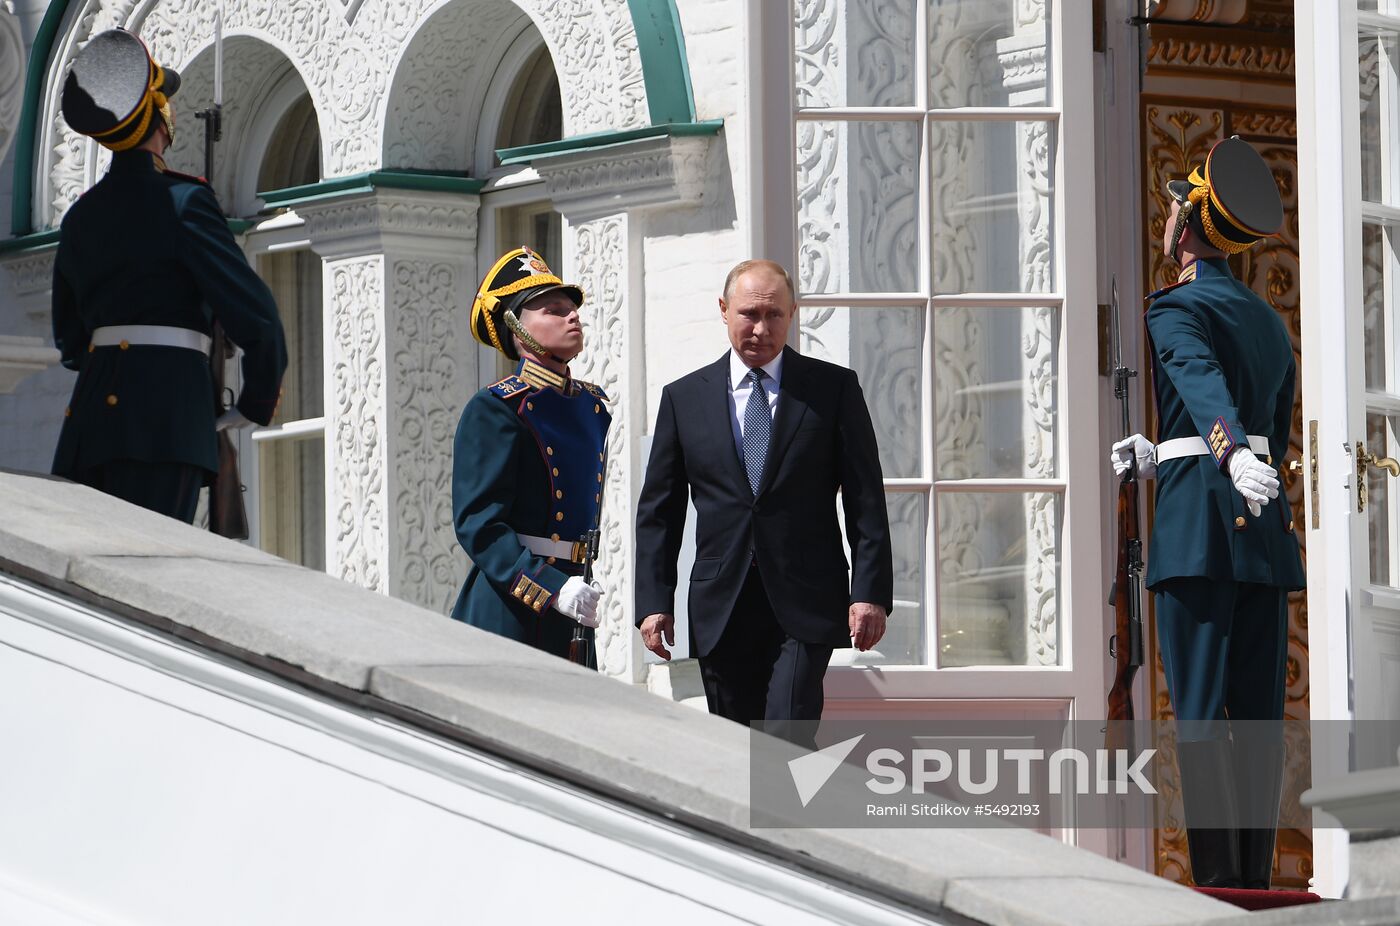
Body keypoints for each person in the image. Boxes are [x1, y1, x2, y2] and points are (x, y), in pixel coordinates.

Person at [1110, 137, 1303, 890]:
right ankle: (1253, 880)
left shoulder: (1176, 307)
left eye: (1171, 208)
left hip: (1198, 531)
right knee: (1257, 721)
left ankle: (1218, 885)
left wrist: (1218, 453)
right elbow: (1273, 430)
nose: (1165, 220)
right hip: (1261, 531)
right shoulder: (1267, 320)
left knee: (1197, 716)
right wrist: (1172, 451)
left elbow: (1200, 383)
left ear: (1187, 224)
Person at [635, 259, 893, 748]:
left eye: (774, 315)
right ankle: (748, 827)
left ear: (792, 313)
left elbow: (865, 497)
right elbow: (659, 513)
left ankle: (783, 825)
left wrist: (869, 591)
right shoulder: (684, 398)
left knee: (786, 735)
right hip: (721, 605)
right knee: (735, 748)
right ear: (723, 311)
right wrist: (653, 603)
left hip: (806, 600)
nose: (761, 328)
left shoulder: (832, 390)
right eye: (749, 314)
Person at [50, 28, 286, 523]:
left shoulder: (80, 217)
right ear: (161, 117)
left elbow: (71, 342)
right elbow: (257, 317)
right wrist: (254, 401)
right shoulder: (183, 201)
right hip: (166, 420)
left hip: (89, 425)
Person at [450, 246, 610, 665]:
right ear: (516, 327)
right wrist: (552, 588)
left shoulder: (592, 405)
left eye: (572, 307)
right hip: (513, 609)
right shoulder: (497, 408)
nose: (572, 315)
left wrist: (572, 588)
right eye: (553, 310)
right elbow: (479, 526)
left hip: (575, 597)